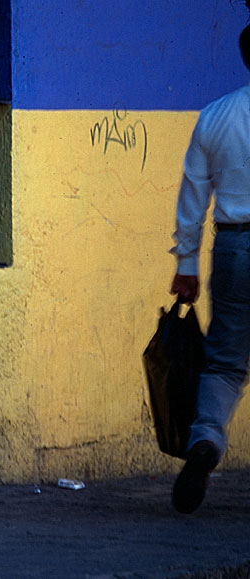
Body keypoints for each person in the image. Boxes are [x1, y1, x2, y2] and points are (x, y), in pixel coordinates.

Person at [168, 24, 250, 514]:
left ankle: (204, 444)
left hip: (235, 249)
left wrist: (186, 264)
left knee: (223, 361)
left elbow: (192, 198)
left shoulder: (216, 117)